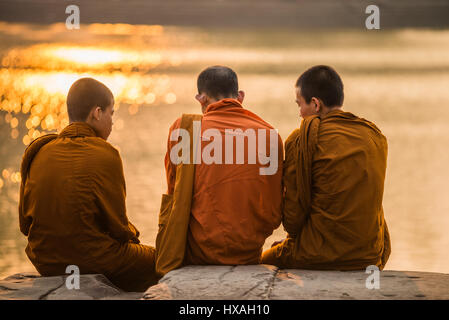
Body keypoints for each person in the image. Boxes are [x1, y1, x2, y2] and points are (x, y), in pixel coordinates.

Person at [18, 77, 159, 291]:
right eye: (111, 114)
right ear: (97, 112)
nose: (112, 122)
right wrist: (134, 242)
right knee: (163, 261)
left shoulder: (38, 150)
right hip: (93, 262)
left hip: (46, 262)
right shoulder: (106, 153)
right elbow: (119, 228)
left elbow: (24, 225)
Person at [261, 65, 391, 270]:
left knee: (261, 262)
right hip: (369, 255)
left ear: (315, 104)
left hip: (318, 254)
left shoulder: (300, 140)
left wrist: (291, 244)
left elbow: (293, 220)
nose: (300, 113)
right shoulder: (373, 135)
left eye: (300, 105)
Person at [164, 66, 283, 265]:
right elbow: (274, 208)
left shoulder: (182, 130)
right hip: (249, 249)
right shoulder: (269, 135)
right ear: (240, 97)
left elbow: (173, 193)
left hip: (198, 251)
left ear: (200, 99)